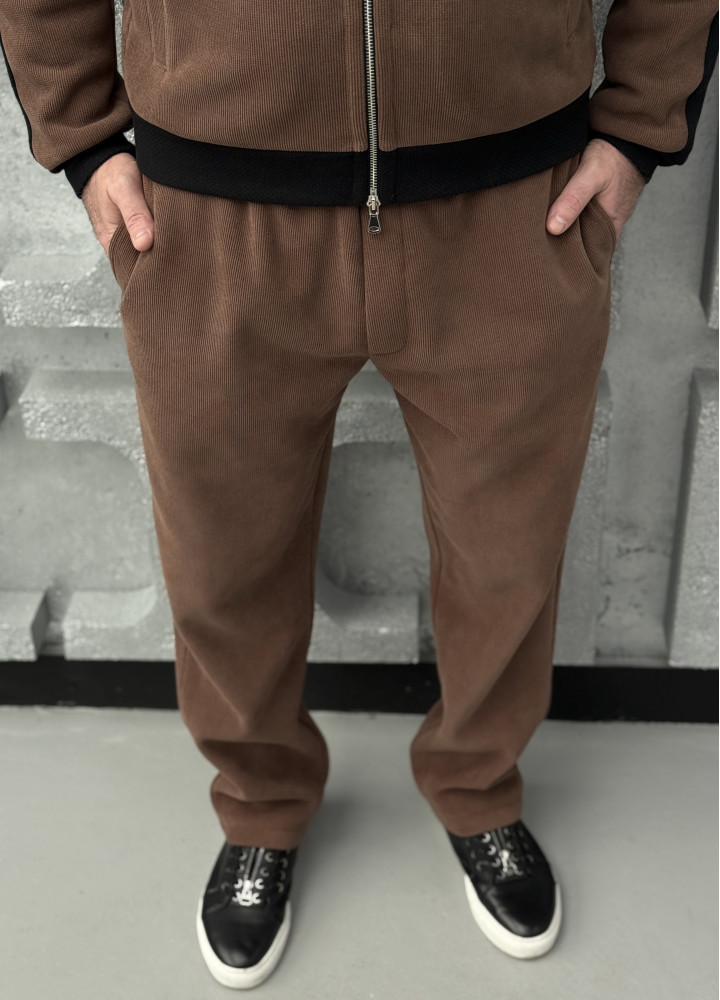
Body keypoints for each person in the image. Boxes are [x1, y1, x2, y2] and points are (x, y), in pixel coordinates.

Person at [1, 0, 717, 988]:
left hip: (515, 207)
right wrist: (84, 142)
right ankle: (259, 804)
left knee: (508, 549)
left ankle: (479, 787)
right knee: (222, 554)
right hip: (211, 217)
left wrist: (638, 128)